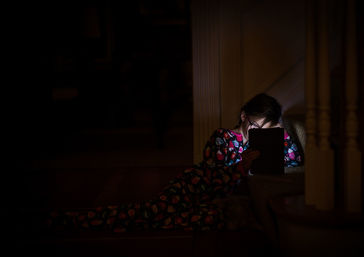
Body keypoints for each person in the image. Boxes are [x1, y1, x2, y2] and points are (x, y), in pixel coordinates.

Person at [46, 93, 302, 233]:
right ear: (244, 116)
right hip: (190, 189)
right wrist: (242, 167)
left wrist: (280, 134)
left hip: (212, 203)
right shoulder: (223, 137)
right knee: (145, 214)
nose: (256, 131)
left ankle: (112, 222)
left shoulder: (264, 142)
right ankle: (70, 220)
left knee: (208, 219)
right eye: (255, 125)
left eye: (265, 128)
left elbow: (294, 158)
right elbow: (215, 176)